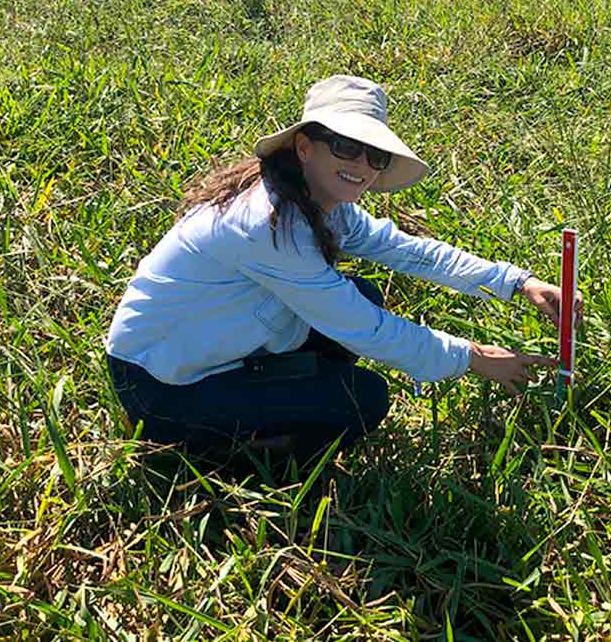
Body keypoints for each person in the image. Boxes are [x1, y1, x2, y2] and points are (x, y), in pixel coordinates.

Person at [105, 75, 580, 464]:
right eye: (345, 147)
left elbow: (409, 251)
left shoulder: (319, 201)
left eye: (375, 156)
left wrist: (519, 282)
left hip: (205, 345)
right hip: (157, 382)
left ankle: (275, 400)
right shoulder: (266, 226)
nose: (363, 166)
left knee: (365, 297)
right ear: (306, 147)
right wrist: (473, 356)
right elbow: (364, 329)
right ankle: (212, 451)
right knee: (362, 398)